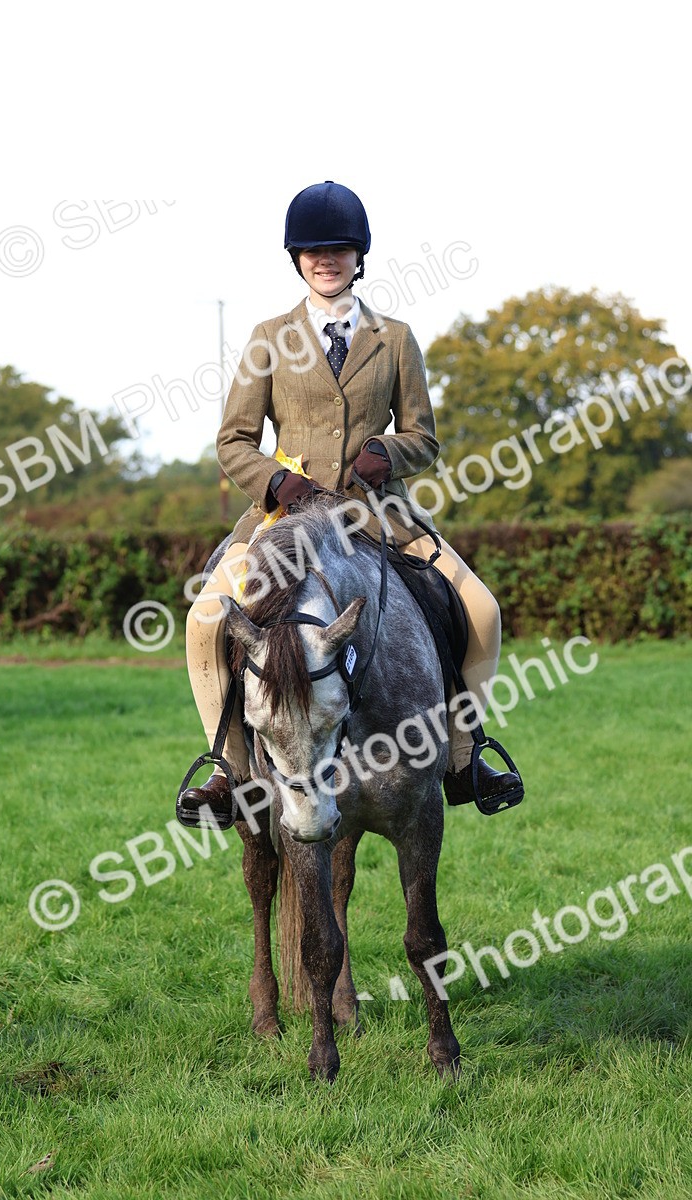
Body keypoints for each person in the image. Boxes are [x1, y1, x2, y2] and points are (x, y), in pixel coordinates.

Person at [179, 181, 522, 824]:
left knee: (482, 607)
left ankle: (464, 751)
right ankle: (228, 769)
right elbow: (233, 441)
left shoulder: (394, 338)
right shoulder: (267, 337)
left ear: (357, 256)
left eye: (337, 249)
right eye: (313, 251)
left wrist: (387, 454)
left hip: (378, 516)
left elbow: (426, 437)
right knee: (204, 620)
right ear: (298, 260)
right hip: (283, 520)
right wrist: (275, 483)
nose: (325, 260)